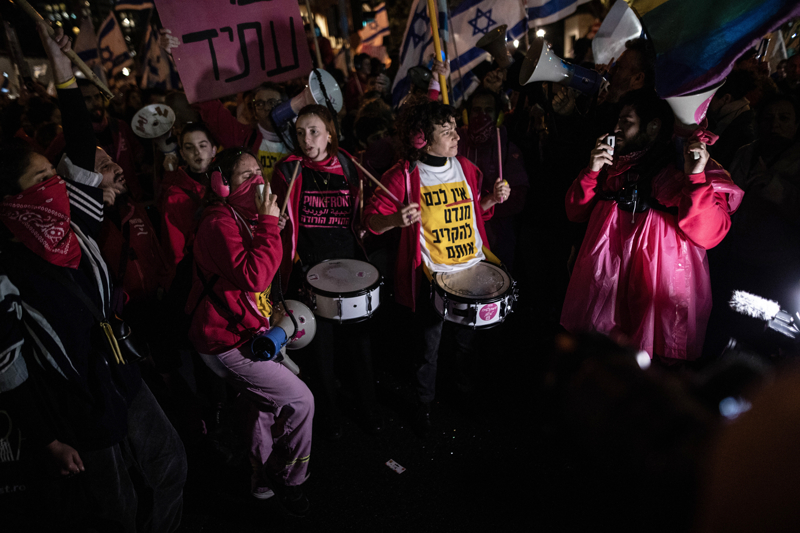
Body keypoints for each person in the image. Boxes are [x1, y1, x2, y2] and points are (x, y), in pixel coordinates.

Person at [0, 21, 186, 532]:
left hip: (122, 372)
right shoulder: (7, 271)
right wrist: (48, 439)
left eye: (54, 175)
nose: (56, 184)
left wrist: (64, 71)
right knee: (114, 508)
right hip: (77, 402)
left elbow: (82, 146)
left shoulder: (73, 224)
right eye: (42, 178)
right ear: (13, 199)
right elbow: (10, 368)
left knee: (170, 464)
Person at [560, 88, 743, 365]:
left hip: (657, 302)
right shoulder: (612, 166)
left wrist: (696, 178)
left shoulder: (685, 170)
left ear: (654, 126)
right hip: (607, 296)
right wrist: (591, 171)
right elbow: (575, 212)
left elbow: (709, 234)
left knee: (650, 376)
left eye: (626, 122)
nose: (616, 129)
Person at [363, 100, 509, 432]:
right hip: (433, 276)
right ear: (421, 139)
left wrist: (492, 198)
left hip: (472, 269)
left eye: (455, 127)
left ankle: (463, 394)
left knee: (466, 342)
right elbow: (370, 222)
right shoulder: (402, 176)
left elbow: (475, 211)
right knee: (428, 346)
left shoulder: (465, 167)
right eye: (446, 131)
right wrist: (394, 220)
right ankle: (423, 404)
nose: (457, 136)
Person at [186, 146, 313, 516]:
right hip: (225, 340)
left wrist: (268, 228)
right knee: (301, 401)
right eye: (246, 176)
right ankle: (289, 479)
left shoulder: (243, 217)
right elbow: (254, 275)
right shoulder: (217, 223)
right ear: (222, 185)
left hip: (246, 330)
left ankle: (260, 478)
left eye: (259, 173)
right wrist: (269, 227)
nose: (258, 181)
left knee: (261, 406)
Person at [271, 104, 382, 439]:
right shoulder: (287, 170)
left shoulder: (349, 164)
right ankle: (329, 420)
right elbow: (275, 216)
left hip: (349, 266)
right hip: (309, 269)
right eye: (300, 132)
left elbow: (363, 211)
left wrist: (365, 224)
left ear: (330, 134)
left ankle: (369, 412)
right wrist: (276, 223)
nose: (306, 139)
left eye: (314, 131)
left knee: (359, 346)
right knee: (321, 351)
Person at [159, 30, 292, 181]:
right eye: (260, 103)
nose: (267, 108)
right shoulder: (243, 137)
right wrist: (177, 57)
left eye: (273, 102)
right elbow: (207, 104)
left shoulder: (300, 134)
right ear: (254, 111)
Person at [457, 87, 529, 268]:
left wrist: (494, 201)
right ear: (466, 115)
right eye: (476, 110)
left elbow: (518, 199)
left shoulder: (508, 149)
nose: (482, 116)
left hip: (497, 236)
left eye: (488, 110)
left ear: (498, 117)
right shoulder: (455, 143)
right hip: (460, 232)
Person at [77, 78, 146, 200]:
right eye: (87, 99)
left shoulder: (119, 126)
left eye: (97, 96)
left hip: (132, 197)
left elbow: (138, 154)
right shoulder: (72, 138)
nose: (95, 103)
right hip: (103, 203)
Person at [707, 69, 758, 169]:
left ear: (726, 99)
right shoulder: (738, 116)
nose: (706, 103)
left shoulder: (743, 129)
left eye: (710, 98)